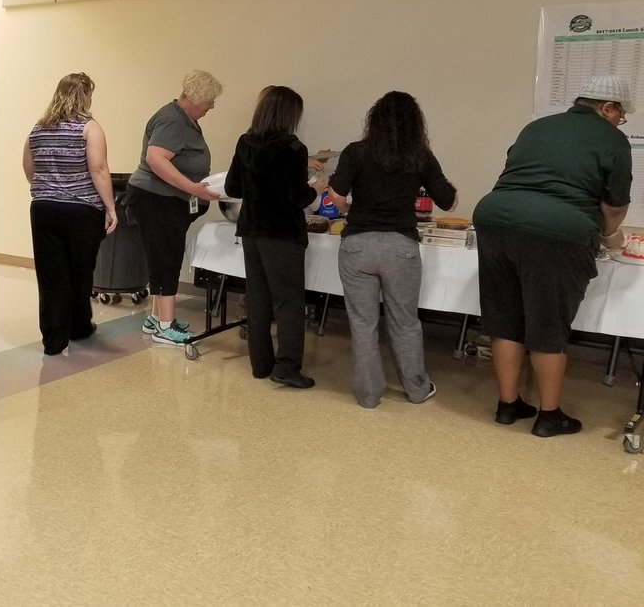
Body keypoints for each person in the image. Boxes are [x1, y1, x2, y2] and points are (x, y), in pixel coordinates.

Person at [472, 74, 634, 437]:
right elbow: (613, 206)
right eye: (619, 114)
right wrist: (611, 239)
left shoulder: (538, 126)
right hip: (557, 229)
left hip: (494, 218)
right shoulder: (612, 139)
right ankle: (549, 416)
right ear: (608, 107)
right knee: (548, 326)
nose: (619, 121)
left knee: (505, 319)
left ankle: (508, 405)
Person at [326, 91, 458, 407]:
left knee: (362, 323)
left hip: (357, 245)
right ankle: (416, 389)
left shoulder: (356, 152)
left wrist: (347, 208)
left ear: (375, 119)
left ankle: (369, 395)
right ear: (415, 124)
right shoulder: (421, 156)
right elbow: (448, 201)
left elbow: (336, 194)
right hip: (401, 247)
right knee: (405, 321)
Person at [223, 86, 320, 388]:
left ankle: (261, 364)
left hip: (252, 230)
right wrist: (318, 187)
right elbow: (299, 197)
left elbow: (233, 188)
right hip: (282, 233)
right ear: (289, 114)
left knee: (258, 298)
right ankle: (287, 367)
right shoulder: (293, 148)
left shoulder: (245, 142)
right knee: (289, 301)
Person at [126, 70, 223, 346]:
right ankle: (165, 327)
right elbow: (156, 159)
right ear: (197, 98)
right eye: (210, 101)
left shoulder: (183, 118)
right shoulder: (172, 119)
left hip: (162, 199)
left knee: (165, 256)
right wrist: (192, 188)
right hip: (156, 198)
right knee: (166, 258)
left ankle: (157, 318)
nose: (212, 107)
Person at [22, 72, 117, 355]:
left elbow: (29, 169)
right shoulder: (89, 128)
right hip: (81, 211)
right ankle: (78, 327)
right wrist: (110, 207)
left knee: (51, 276)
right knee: (79, 272)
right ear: (84, 95)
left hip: (44, 210)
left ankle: (53, 340)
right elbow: (98, 170)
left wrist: (49, 189)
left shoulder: (38, 128)